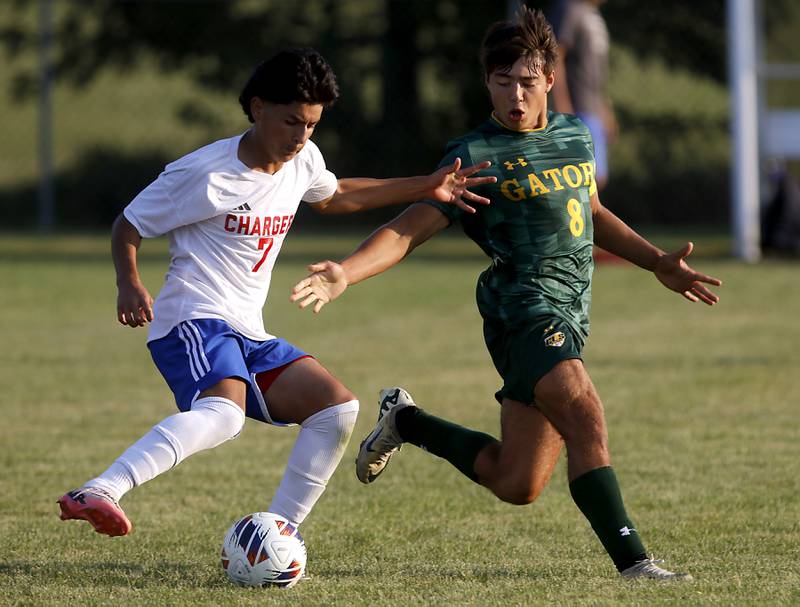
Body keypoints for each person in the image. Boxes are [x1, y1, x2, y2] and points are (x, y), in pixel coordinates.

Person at [290, 9, 721, 581]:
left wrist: (655, 261)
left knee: (517, 481)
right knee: (586, 414)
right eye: (501, 81)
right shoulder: (473, 156)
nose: (514, 95)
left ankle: (407, 421)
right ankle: (636, 563)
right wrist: (346, 270)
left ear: (549, 78)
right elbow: (406, 229)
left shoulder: (575, 135)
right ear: (487, 82)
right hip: (523, 312)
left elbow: (591, 211)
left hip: (569, 314)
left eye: (525, 81)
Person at [57, 48, 495, 538]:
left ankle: (277, 538)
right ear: (258, 107)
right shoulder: (203, 172)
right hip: (193, 320)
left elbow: (335, 196)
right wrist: (129, 283)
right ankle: (101, 489)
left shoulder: (303, 159)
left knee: (335, 410)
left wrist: (424, 186)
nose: (300, 136)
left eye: (311, 124)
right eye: (291, 122)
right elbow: (129, 224)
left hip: (247, 330)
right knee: (223, 415)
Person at [550, 0, 616, 191]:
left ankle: (582, 220)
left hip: (594, 108)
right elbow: (556, 57)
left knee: (597, 177)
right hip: (577, 106)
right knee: (583, 177)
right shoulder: (569, 9)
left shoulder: (595, 16)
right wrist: (562, 105)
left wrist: (606, 110)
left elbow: (598, 72)